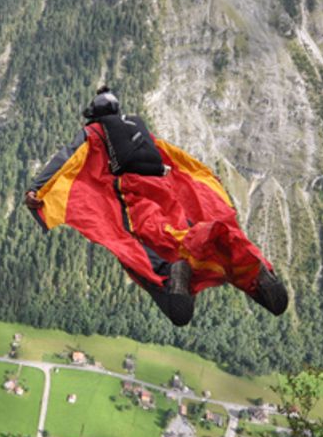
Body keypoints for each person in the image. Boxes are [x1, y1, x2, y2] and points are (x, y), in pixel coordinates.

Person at [25, 87, 287, 326]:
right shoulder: (137, 128)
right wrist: (202, 178)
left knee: (132, 245)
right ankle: (255, 272)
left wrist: (37, 189)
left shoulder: (93, 132)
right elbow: (174, 155)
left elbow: (64, 158)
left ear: (94, 114)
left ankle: (169, 279)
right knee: (185, 234)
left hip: (131, 193)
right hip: (165, 187)